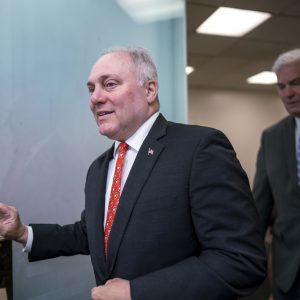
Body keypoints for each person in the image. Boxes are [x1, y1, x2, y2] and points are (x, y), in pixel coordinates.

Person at [0, 46, 266, 300]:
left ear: (149, 90)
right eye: (91, 89)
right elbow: (94, 233)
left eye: (110, 84)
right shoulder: (99, 168)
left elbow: (240, 260)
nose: (95, 98)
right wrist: (23, 232)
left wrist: (137, 292)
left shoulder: (199, 148)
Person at [253, 48, 300, 300]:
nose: (288, 93)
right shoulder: (271, 137)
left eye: (296, 83)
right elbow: (260, 203)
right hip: (288, 270)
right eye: (281, 86)